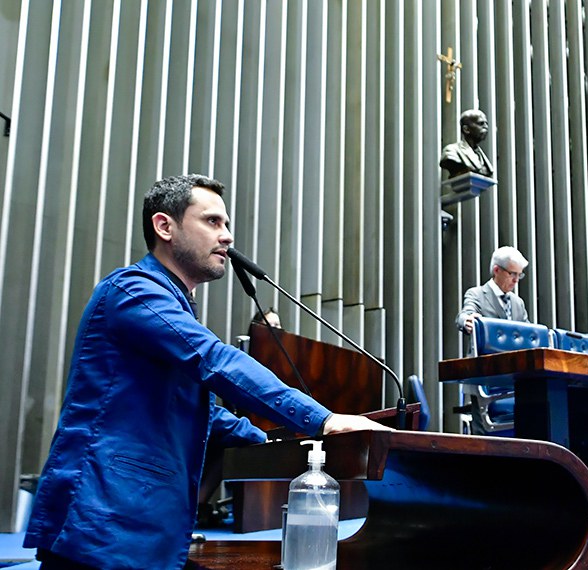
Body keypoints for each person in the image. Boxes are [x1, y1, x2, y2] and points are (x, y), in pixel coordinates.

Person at [24, 174, 389, 569]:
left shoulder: (171, 306)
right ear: (164, 226)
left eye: (227, 224)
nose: (228, 236)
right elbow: (215, 359)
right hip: (103, 520)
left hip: (140, 527)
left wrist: (269, 443)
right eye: (213, 221)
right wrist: (324, 419)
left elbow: (194, 408)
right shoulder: (134, 290)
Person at [456, 246, 529, 335]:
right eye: (513, 274)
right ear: (496, 270)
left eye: (519, 275)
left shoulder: (518, 302)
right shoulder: (477, 295)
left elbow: (528, 331)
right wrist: (466, 320)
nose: (516, 280)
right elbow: (465, 314)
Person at [440, 109, 494, 178]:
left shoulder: (483, 158)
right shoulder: (451, 151)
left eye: (486, 123)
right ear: (466, 129)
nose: (486, 127)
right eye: (481, 123)